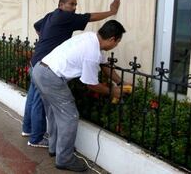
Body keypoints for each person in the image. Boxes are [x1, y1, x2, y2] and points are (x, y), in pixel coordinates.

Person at [22, 0, 120, 148]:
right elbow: (90, 17)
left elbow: (37, 25)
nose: (74, 7)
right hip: (45, 63)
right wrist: (111, 12)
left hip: (38, 60)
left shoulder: (52, 15)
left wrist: (48, 39)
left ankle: (27, 130)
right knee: (39, 102)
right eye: (71, 4)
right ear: (61, 5)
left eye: (76, 4)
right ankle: (36, 138)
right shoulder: (66, 17)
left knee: (32, 98)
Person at [32, 20, 127, 172]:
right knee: (70, 117)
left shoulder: (91, 38)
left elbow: (104, 66)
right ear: (112, 39)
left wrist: (120, 82)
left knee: (55, 114)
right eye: (118, 42)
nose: (116, 45)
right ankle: (64, 159)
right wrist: (113, 91)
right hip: (51, 77)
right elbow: (91, 84)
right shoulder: (92, 53)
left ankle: (55, 148)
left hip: (40, 70)